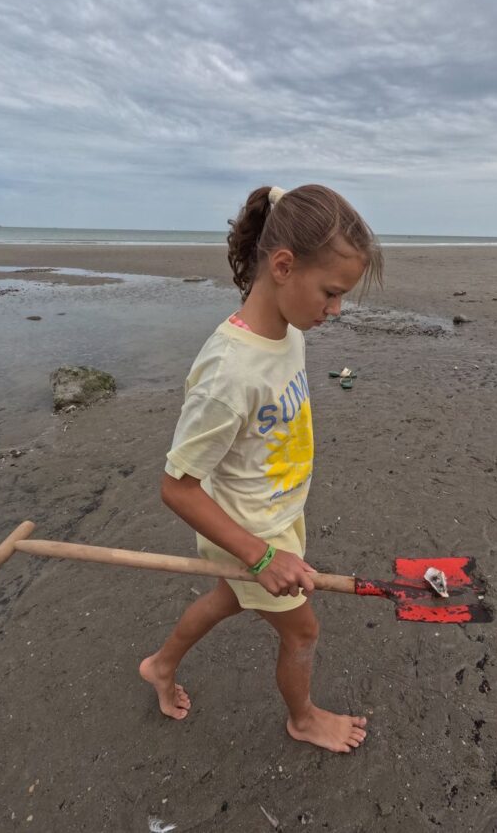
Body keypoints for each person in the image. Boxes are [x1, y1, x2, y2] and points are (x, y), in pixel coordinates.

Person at [140, 184, 383, 753]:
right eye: (331, 293)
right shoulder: (229, 374)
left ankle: (160, 665)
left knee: (227, 599)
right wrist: (261, 555)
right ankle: (303, 718)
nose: (336, 310)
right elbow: (177, 488)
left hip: (275, 515)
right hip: (248, 531)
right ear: (283, 267)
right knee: (303, 630)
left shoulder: (289, 331)